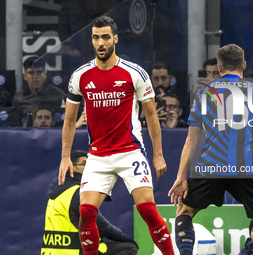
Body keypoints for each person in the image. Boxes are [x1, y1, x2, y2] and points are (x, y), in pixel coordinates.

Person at [58, 16, 174, 255]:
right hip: (98, 157)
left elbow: (151, 116)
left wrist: (158, 155)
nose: (100, 43)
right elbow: (69, 120)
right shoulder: (80, 76)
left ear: (115, 39)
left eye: (105, 37)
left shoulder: (135, 73)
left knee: (148, 211)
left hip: (129, 151)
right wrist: (65, 157)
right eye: (96, 38)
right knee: (86, 213)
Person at [168, 44, 253, 255]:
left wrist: (181, 177)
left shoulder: (203, 94)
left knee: (184, 212)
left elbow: (191, 141)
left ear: (219, 68)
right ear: (244, 65)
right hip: (247, 168)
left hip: (210, 167)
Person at [41, 150, 138, 255]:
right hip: (77, 251)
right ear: (71, 167)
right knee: (129, 247)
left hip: (51, 252)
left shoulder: (56, 194)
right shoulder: (78, 193)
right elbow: (101, 225)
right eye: (84, 164)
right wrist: (126, 239)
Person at [12, 56, 66, 127]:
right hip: (25, 136)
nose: (35, 77)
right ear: (24, 76)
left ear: (45, 75)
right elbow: (14, 125)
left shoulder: (59, 95)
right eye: (31, 73)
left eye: (39, 72)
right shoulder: (18, 98)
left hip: (53, 136)